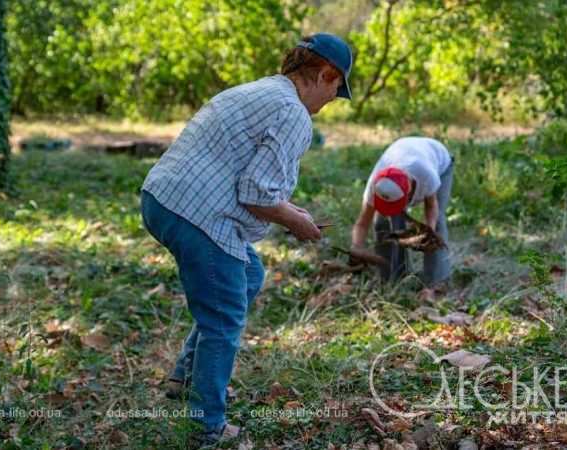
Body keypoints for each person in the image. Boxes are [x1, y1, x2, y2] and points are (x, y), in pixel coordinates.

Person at [140, 33, 352, 445]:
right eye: (335, 90)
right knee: (224, 317)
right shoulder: (293, 113)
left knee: (249, 274)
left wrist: (291, 210)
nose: (330, 102)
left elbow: (251, 176)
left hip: (162, 197)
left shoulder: (260, 89)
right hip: (197, 213)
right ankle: (207, 425)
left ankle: (184, 377)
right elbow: (256, 194)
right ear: (326, 74)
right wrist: (296, 221)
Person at [351, 137, 454, 300]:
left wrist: (429, 232)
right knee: (382, 223)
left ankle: (436, 284)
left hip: (440, 161)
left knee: (437, 225)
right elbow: (362, 223)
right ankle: (392, 279)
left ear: (409, 193)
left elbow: (431, 207)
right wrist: (357, 247)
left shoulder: (426, 175)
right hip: (402, 153)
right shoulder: (375, 186)